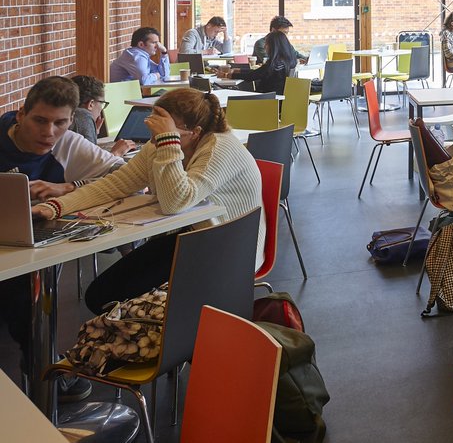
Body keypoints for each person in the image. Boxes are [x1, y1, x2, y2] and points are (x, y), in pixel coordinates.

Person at [34, 88, 266, 314]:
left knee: (108, 298)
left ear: (195, 132)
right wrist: (54, 207)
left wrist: (168, 141)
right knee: (101, 295)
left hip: (227, 248)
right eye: (153, 125)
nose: (152, 138)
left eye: (162, 128)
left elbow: (174, 202)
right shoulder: (160, 144)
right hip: (189, 236)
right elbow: (114, 185)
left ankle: (164, 335)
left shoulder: (219, 148)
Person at [0, 78, 130, 393]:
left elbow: (127, 176)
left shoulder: (69, 144)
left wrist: (69, 187)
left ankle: (42, 370)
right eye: (40, 120)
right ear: (21, 114)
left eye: (60, 123)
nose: (49, 132)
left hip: (31, 249)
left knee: (26, 299)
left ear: (71, 120)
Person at [69, 75, 135, 155]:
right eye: (102, 103)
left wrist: (92, 134)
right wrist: (116, 153)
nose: (101, 109)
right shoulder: (83, 116)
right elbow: (90, 161)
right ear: (91, 104)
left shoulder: (68, 113)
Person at [228, 28, 297, 95]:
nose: (264, 47)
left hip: (265, 98)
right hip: (275, 97)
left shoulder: (274, 65)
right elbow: (259, 72)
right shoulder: (286, 62)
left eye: (266, 44)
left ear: (274, 46)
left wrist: (230, 75)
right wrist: (239, 70)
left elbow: (251, 76)